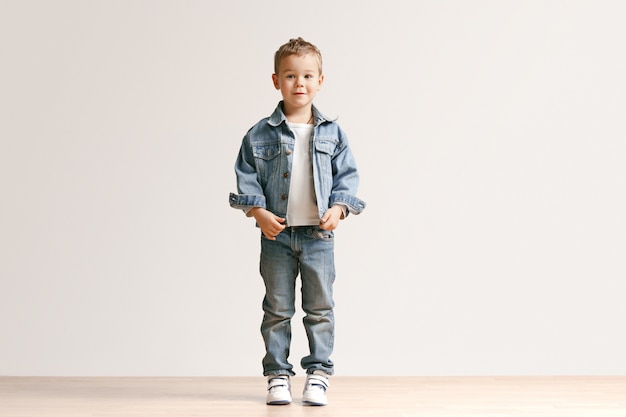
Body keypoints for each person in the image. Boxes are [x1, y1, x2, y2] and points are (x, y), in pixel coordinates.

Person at [229, 37, 365, 406]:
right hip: (277, 237)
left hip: (318, 237)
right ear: (276, 81)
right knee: (277, 308)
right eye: (290, 76)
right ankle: (277, 375)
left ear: (321, 80)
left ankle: (318, 374)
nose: (299, 83)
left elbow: (347, 177)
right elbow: (246, 177)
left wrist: (339, 209)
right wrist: (257, 212)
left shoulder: (333, 133)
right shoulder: (259, 134)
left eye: (307, 75)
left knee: (320, 307)